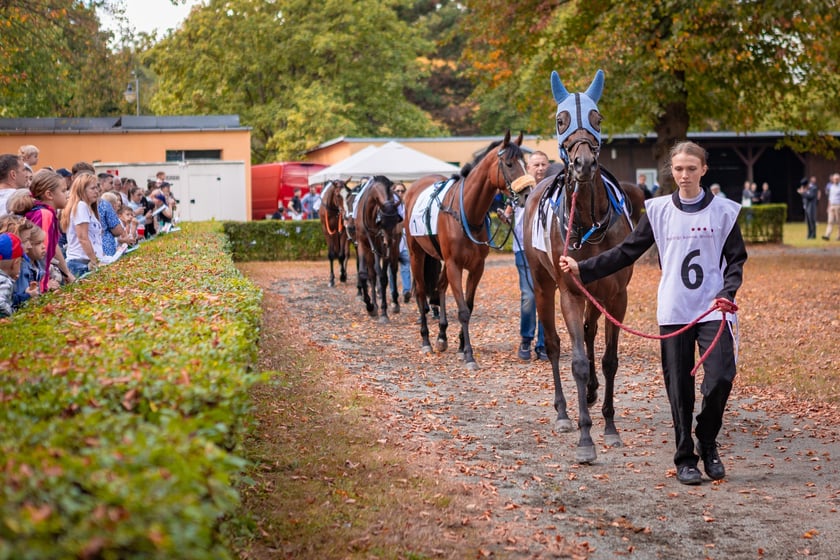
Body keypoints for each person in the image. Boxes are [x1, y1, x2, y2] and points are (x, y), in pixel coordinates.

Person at [559, 141, 747, 485]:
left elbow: (736, 261)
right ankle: (685, 458)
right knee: (679, 388)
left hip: (714, 310)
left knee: (720, 377)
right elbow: (625, 252)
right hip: (675, 309)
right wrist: (582, 268)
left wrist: (727, 293)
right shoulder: (658, 210)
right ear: (671, 172)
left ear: (704, 170)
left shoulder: (724, 212)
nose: (685, 175)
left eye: (692, 168)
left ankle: (706, 439)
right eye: (679, 169)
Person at [503, 150, 550, 361]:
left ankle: (544, 343)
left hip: (547, 250)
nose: (540, 168)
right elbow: (509, 211)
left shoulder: (553, 188)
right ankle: (526, 339)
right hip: (523, 248)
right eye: (535, 165)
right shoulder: (519, 188)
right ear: (528, 168)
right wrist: (505, 217)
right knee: (529, 295)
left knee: (546, 295)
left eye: (543, 164)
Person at [24, 169, 75, 290]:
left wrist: (66, 272)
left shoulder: (46, 213)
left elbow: (53, 246)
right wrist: (44, 284)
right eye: (63, 191)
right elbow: (41, 252)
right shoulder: (44, 214)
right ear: (49, 195)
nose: (67, 194)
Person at [61, 173, 104, 278]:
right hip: (81, 263)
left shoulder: (87, 207)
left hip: (84, 261)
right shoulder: (81, 206)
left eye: (97, 188)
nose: (96, 191)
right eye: (92, 188)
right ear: (82, 190)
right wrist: (95, 261)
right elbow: (83, 238)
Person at [391, 183, 412, 302]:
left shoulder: (408, 206)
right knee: (391, 269)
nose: (400, 193)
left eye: (402, 191)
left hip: (404, 243)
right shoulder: (390, 208)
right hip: (393, 243)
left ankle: (406, 291)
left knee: (406, 267)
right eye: (397, 191)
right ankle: (394, 293)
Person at [0, 232, 25, 318]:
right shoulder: (4, 281)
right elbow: (1, 303)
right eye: (20, 263)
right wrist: (12, 315)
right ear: (15, 264)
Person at [98, 191, 126, 256]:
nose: (119, 203)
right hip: (107, 245)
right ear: (113, 205)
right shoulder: (104, 205)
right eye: (117, 201)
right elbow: (118, 231)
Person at [821, 173, 840, 241]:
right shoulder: (831, 187)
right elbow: (830, 198)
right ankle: (827, 235)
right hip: (831, 206)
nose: (836, 180)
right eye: (835, 179)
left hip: (838, 206)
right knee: (830, 221)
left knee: (838, 222)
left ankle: (839, 236)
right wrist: (828, 206)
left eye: (837, 179)